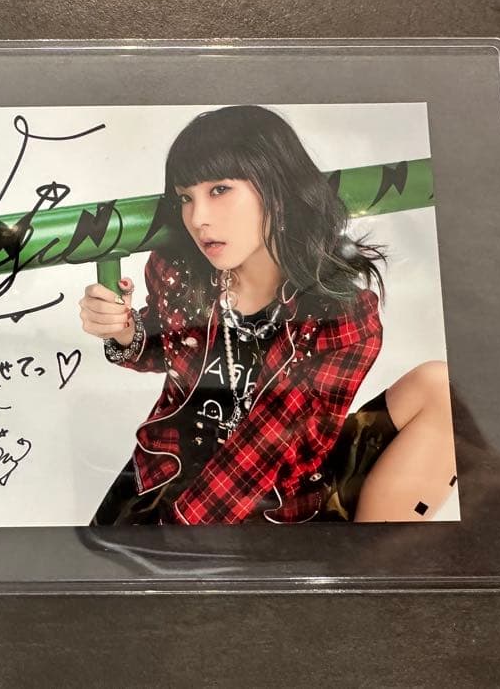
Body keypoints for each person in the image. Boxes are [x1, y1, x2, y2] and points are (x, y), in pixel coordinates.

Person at [79, 105, 456, 524]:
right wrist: (124, 331)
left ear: (276, 189)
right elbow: (166, 348)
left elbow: (264, 451)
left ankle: (367, 561)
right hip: (167, 477)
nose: (198, 218)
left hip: (270, 498)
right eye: (186, 198)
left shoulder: (341, 317)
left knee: (440, 387)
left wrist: (175, 539)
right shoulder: (181, 270)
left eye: (220, 190)